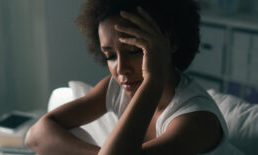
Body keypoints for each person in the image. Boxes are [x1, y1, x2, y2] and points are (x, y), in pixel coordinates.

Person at [25, 0, 228, 154]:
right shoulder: (115, 89)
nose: (121, 69)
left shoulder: (196, 121)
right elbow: (34, 135)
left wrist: (153, 80)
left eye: (134, 51)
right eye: (110, 56)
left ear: (171, 43)